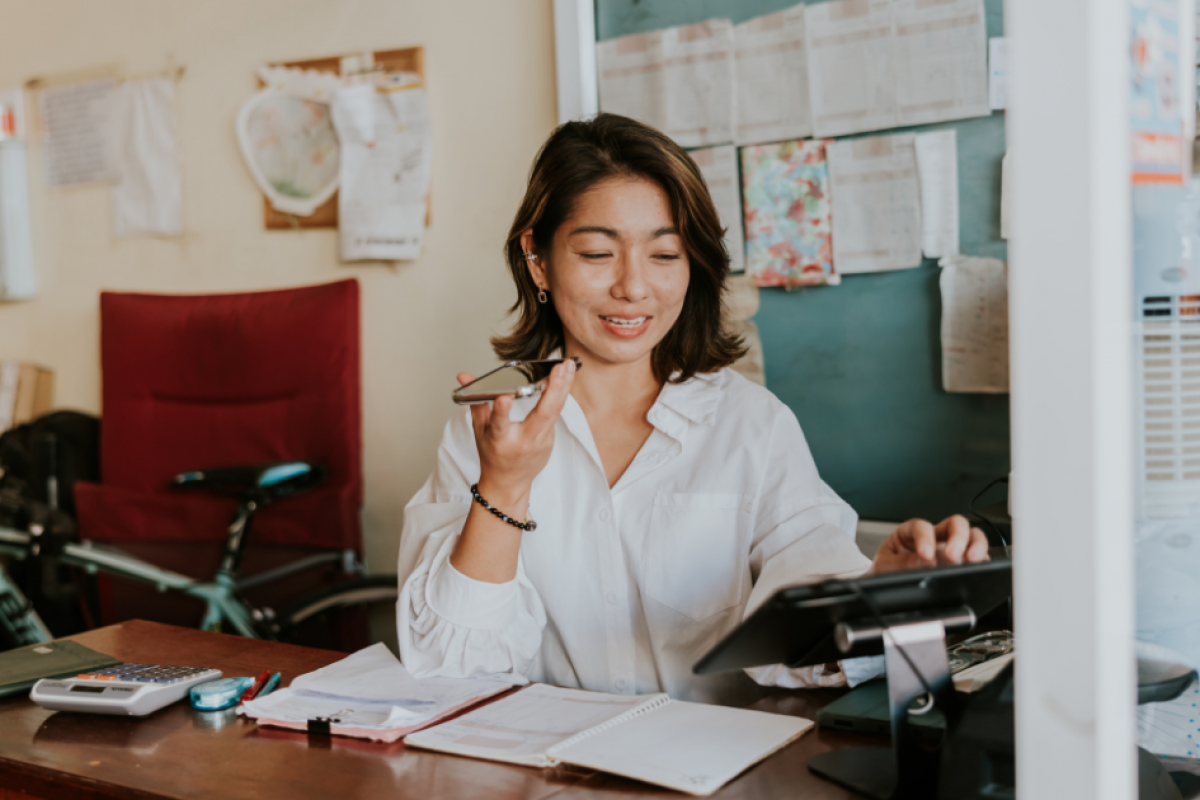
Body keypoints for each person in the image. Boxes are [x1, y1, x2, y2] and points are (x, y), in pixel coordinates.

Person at [396, 114, 990, 705]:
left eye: (664, 254)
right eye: (599, 253)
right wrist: (502, 486)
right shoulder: (489, 429)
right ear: (539, 259)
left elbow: (808, 600)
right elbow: (452, 666)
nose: (634, 286)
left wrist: (879, 590)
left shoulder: (752, 424)